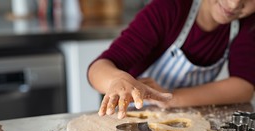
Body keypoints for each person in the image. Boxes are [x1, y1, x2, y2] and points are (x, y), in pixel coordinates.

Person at [87, 0, 255, 119]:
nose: (234, 4)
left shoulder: (247, 24)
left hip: (187, 118)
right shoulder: (170, 7)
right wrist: (118, 80)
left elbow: (243, 87)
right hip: (131, 117)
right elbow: (97, 68)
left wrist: (171, 99)